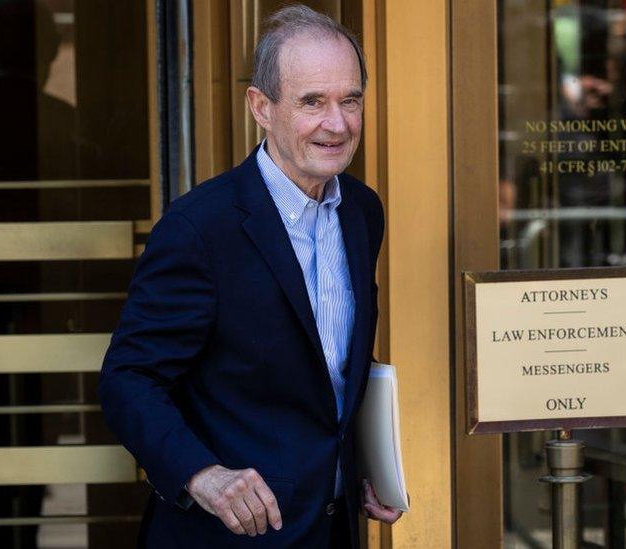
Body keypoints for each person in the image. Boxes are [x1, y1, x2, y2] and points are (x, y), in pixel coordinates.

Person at [98, 5, 401, 547]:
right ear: (261, 107)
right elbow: (129, 381)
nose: (338, 124)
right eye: (312, 102)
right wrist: (202, 476)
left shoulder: (361, 210)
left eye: (350, 100)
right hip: (229, 536)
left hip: (333, 527)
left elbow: (326, 361)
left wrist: (362, 463)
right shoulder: (199, 229)